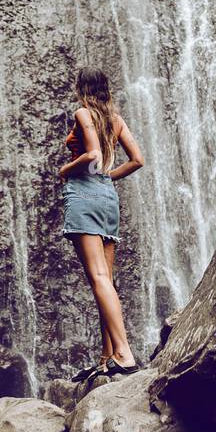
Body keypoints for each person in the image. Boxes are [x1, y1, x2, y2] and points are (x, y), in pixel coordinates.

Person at [59, 65, 144, 380]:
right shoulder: (116, 120)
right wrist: (109, 176)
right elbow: (137, 160)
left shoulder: (83, 114)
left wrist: (66, 170)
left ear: (81, 87)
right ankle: (106, 358)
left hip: (84, 195)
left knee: (98, 278)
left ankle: (124, 352)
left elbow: (92, 153)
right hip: (108, 198)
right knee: (105, 280)